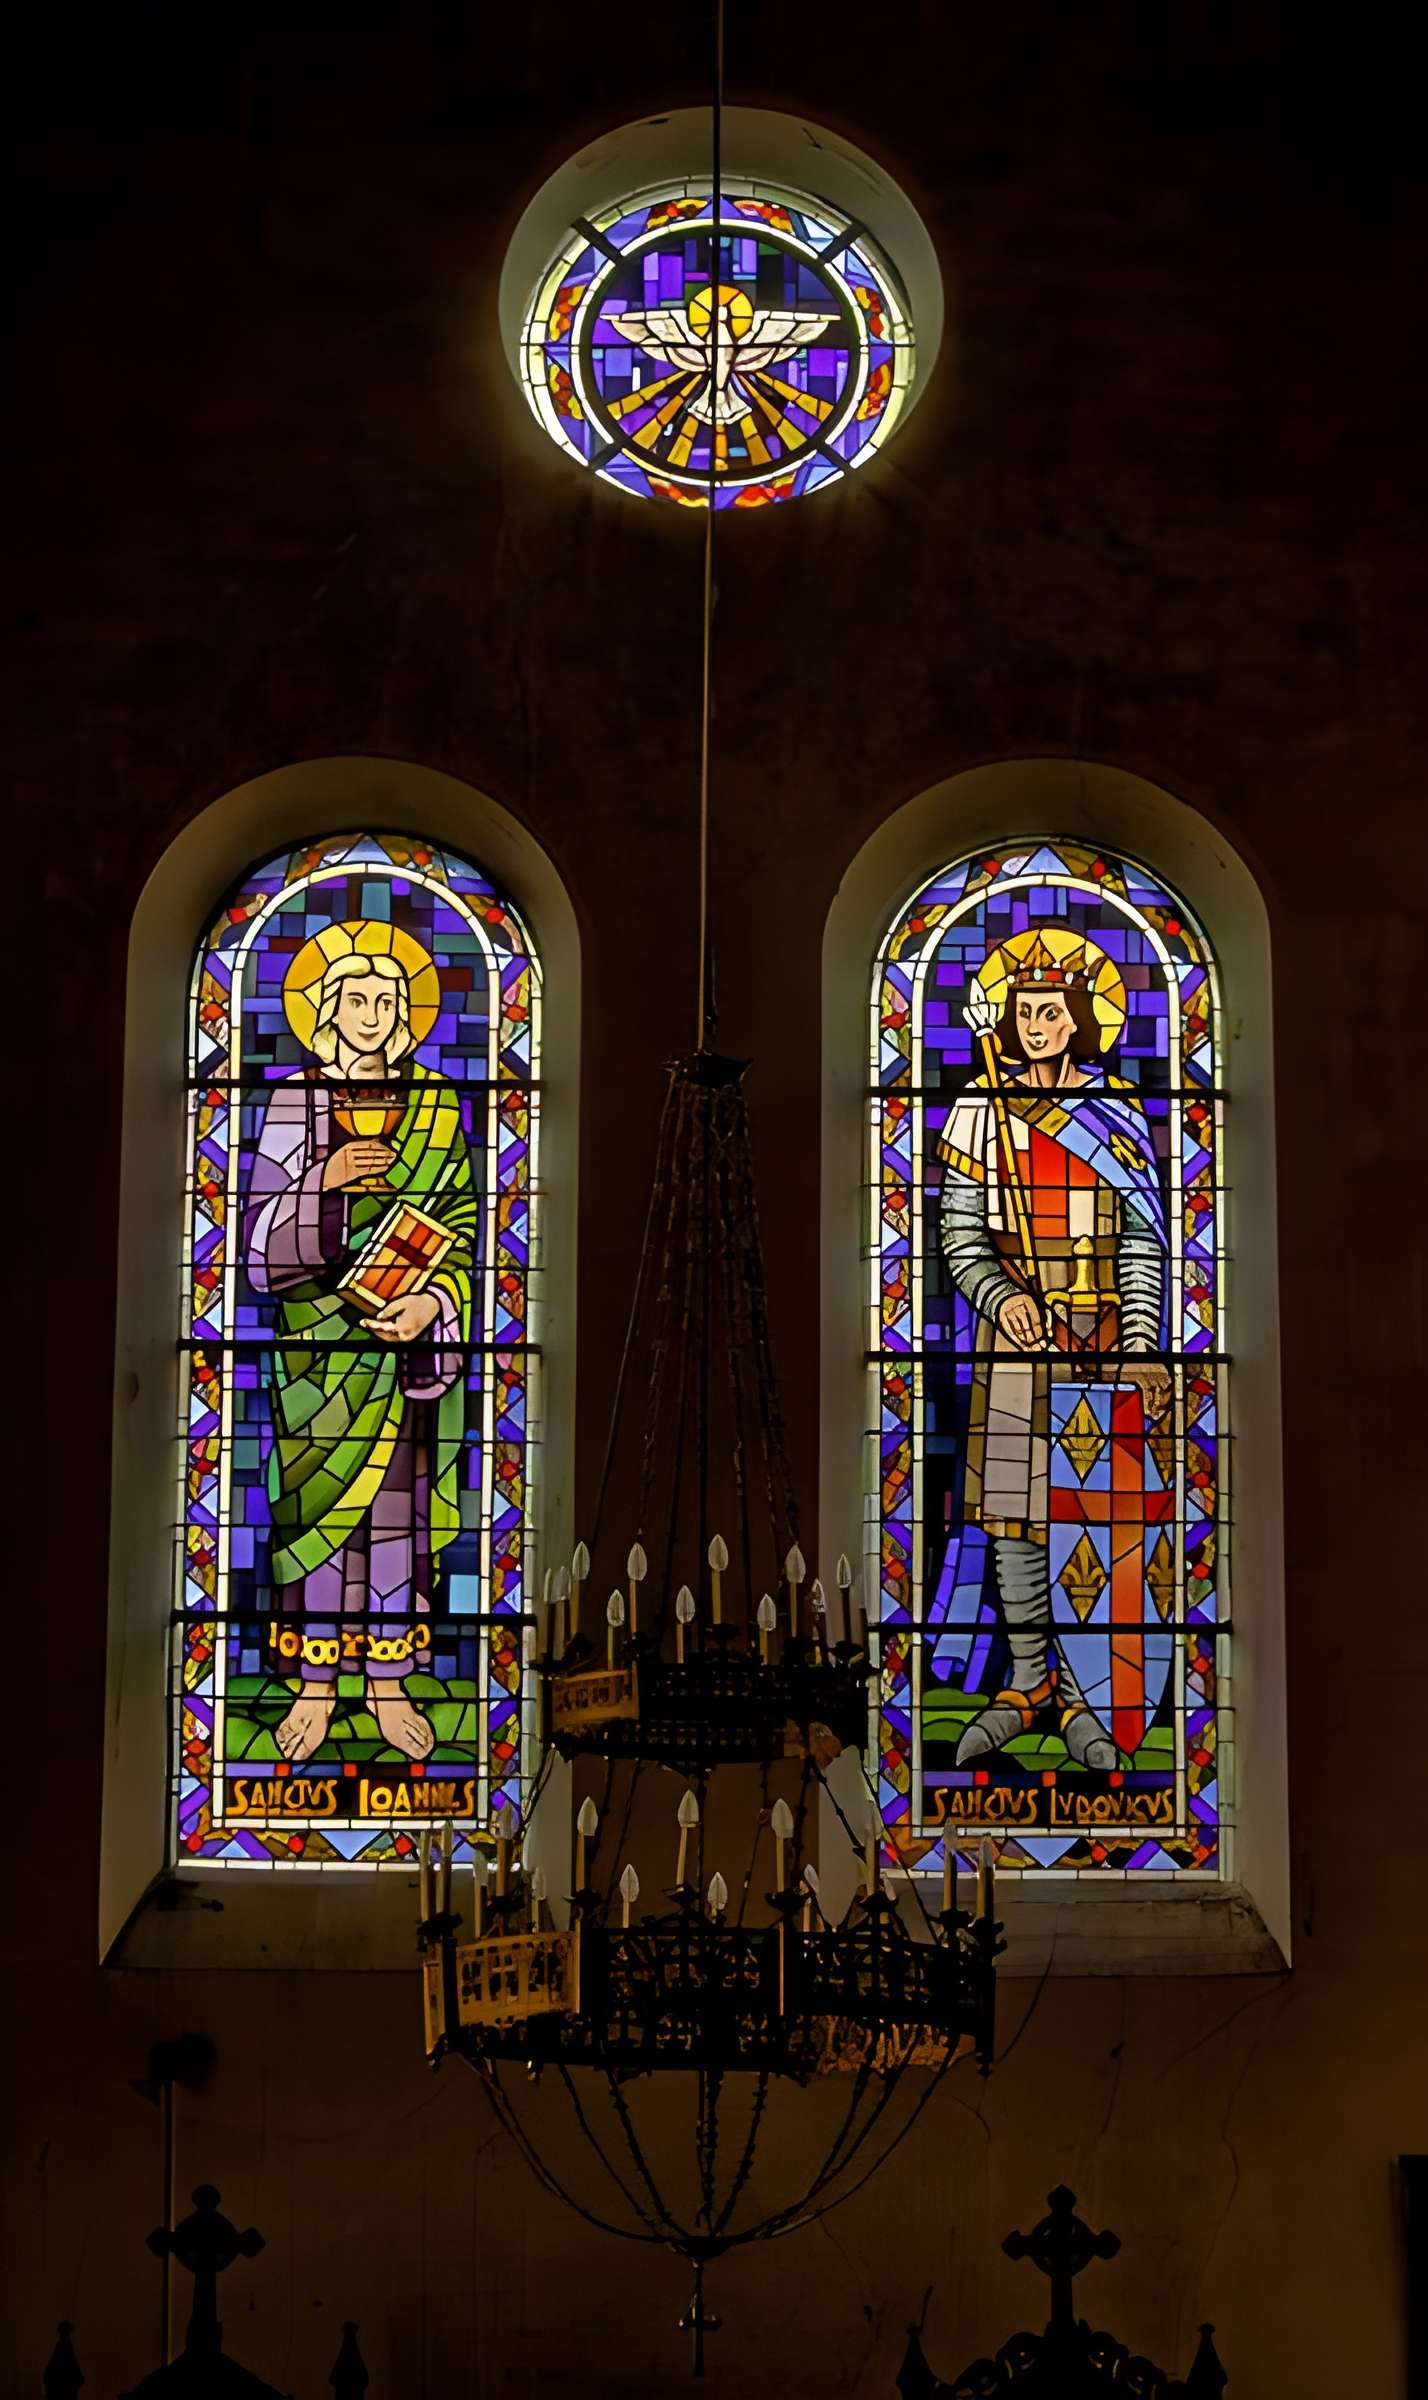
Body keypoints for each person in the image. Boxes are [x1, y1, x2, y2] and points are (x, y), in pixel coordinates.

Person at [936, 930, 1171, 1770]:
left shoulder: (1117, 1112)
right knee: (1017, 1513)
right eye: (1021, 1010)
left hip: (1106, 1340)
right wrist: (1004, 1298)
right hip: (1018, 1342)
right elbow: (961, 1241)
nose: (1035, 1024)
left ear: (1079, 1020)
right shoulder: (979, 1110)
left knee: (1100, 1520)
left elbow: (1144, 1240)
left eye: (1050, 1010)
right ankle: (1027, 1681)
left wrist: (1142, 1342)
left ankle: (1087, 1697)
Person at [244, 937, 476, 1764]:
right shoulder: (290, 1104)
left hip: (399, 1353)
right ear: (324, 1015)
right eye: (353, 1002)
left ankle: (385, 1683)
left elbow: (468, 1233)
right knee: (314, 1523)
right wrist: (325, 1178)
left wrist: (435, 1305)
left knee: (392, 1523)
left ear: (407, 1020)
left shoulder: (442, 1107)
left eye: (387, 1004)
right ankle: (312, 1685)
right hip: (315, 1362)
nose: (371, 1019)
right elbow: (258, 1249)